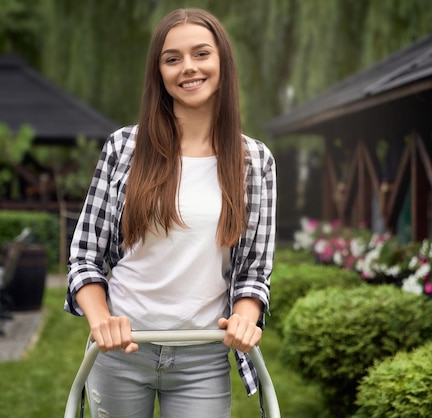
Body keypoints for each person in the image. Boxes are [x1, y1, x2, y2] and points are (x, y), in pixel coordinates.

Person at [64, 7, 276, 418]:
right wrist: (101, 319)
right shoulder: (125, 147)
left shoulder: (255, 160)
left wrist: (246, 318)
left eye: (201, 54)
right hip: (120, 354)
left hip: (203, 357)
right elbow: (85, 258)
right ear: (158, 72)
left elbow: (253, 271)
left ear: (222, 63)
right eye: (172, 58)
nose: (188, 68)